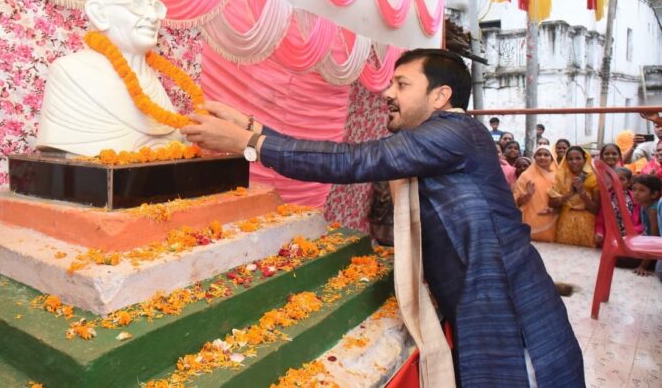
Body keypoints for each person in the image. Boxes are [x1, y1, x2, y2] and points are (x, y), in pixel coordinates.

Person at [182, 48, 584, 387]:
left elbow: (353, 160)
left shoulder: (456, 132)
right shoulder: (444, 135)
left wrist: (248, 143)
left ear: (440, 96)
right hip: (482, 298)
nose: (387, 93)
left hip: (509, 306)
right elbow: (338, 153)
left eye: (401, 85)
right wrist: (251, 127)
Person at [36, 0, 186, 156]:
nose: (153, 17)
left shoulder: (152, 78)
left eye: (155, 6)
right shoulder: (70, 73)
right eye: (137, 3)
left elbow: (175, 142)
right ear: (99, 14)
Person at [548, 146, 599, 247]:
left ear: (585, 159)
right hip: (566, 222)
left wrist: (582, 193)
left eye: (578, 158)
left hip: (588, 224)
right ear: (566, 161)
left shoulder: (593, 179)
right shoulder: (561, 177)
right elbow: (551, 203)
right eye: (570, 159)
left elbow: (596, 209)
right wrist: (569, 194)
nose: (574, 162)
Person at [513, 145, 558, 242]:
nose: (542, 157)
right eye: (539, 154)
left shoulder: (558, 176)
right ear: (534, 157)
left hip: (552, 220)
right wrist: (528, 195)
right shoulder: (525, 176)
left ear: (552, 158)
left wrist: (555, 209)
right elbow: (516, 201)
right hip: (530, 220)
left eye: (546, 155)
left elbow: (564, 199)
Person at [630, 174, 662, 276]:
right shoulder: (644, 206)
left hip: (657, 248)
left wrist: (643, 266)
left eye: (642, 190)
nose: (635, 193)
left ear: (654, 194)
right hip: (653, 247)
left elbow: (654, 240)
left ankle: (651, 263)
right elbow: (647, 232)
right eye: (634, 189)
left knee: (621, 259)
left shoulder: (653, 210)